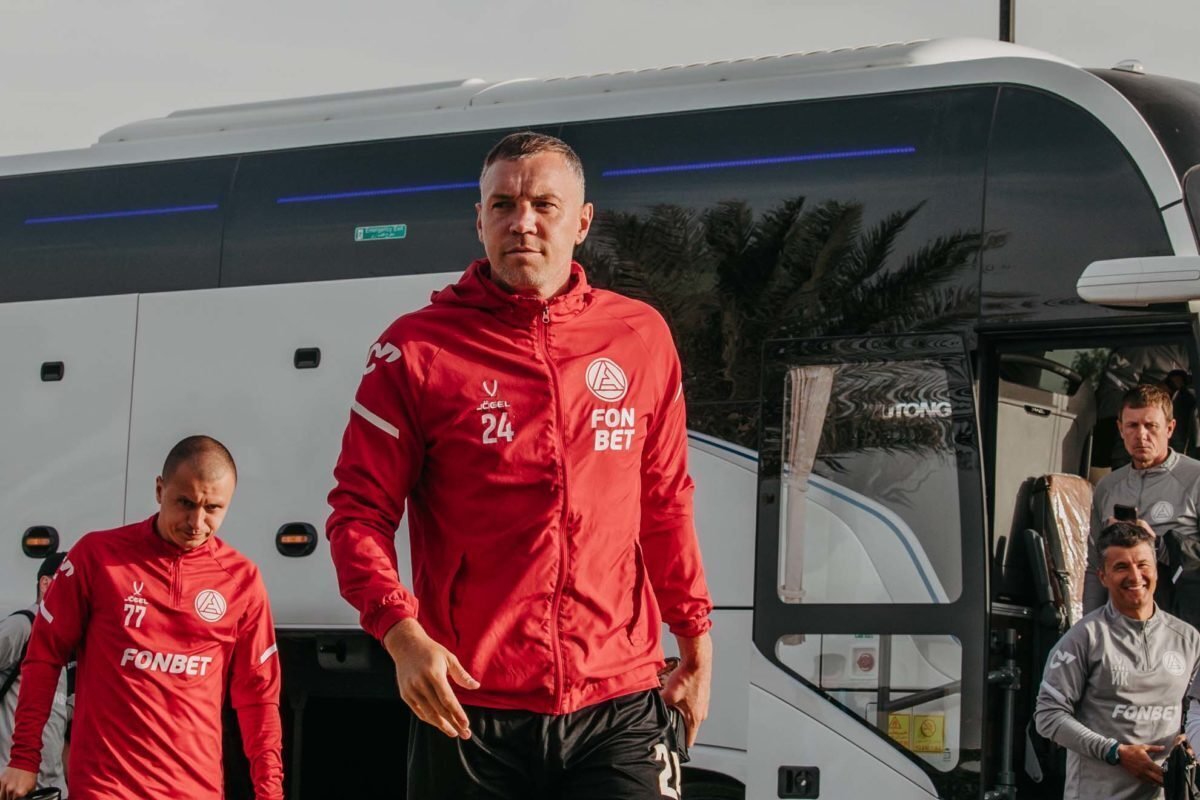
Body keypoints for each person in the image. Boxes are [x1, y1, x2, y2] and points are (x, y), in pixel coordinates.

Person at [327, 131, 713, 799]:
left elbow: (666, 501)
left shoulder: (640, 336)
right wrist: (401, 633)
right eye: (503, 205)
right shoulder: (415, 350)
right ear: (479, 220)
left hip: (618, 699)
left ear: (582, 222)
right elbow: (357, 516)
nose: (522, 222)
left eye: (544, 205)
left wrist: (695, 638)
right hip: (470, 706)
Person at [0, 436, 284, 800]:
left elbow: (258, 698)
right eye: (185, 503)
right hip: (105, 789)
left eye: (213, 508)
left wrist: (270, 792)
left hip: (195, 791)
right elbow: (44, 655)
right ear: (159, 489)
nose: (197, 522)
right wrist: (24, 758)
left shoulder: (242, 580)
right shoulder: (97, 557)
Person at [1036, 521, 1200, 799]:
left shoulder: (1188, 638)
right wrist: (1115, 752)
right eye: (1121, 567)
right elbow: (1048, 716)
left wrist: (1189, 738)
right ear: (1103, 576)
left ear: (1156, 569)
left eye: (1143, 565)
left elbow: (1193, 711)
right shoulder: (1084, 638)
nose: (1135, 576)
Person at [1084, 384, 1200, 618]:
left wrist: (1158, 546)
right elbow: (1095, 566)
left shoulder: (1194, 478)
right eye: (1132, 425)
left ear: (1170, 428)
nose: (1141, 435)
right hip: (1121, 623)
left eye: (1151, 426)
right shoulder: (1108, 487)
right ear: (1120, 429)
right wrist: (1090, 624)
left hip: (1180, 621)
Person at [0, 554, 71, 799]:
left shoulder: (64, 638)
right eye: (67, 582)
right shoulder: (22, 626)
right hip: (13, 785)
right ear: (45, 583)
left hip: (52, 788)